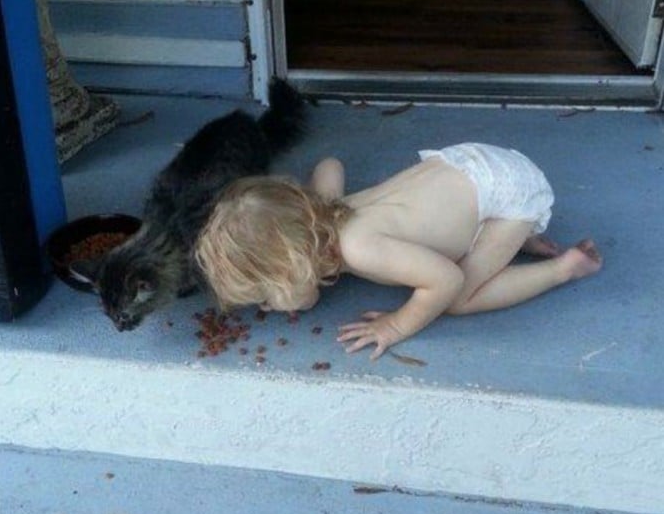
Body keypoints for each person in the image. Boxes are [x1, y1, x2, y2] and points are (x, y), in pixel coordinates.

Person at [195, 143, 603, 360]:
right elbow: (330, 163)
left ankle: (563, 268)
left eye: (266, 295)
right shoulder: (324, 206)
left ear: (295, 264)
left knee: (459, 299)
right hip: (471, 165)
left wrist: (396, 325)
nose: (267, 307)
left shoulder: (359, 249)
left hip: (507, 194)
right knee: (456, 232)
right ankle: (512, 237)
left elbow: (446, 279)